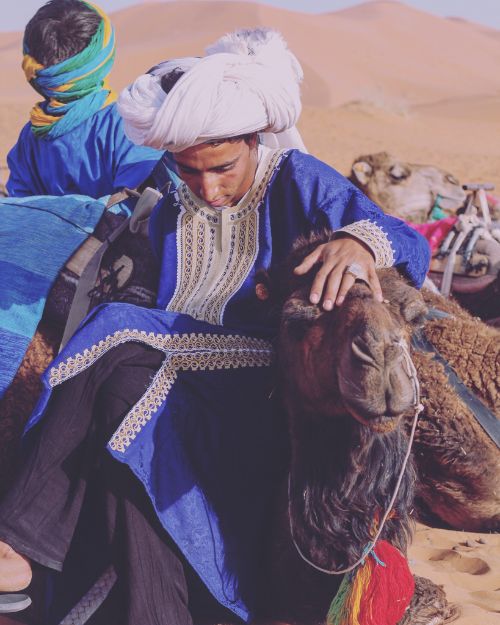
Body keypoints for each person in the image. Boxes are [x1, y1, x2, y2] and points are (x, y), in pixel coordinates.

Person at [0, 29, 431, 624]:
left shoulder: (295, 178)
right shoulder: (176, 198)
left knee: (117, 328)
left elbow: (406, 239)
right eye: (189, 171)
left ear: (255, 139)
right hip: (177, 373)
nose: (207, 186)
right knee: (124, 396)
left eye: (222, 167)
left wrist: (358, 241)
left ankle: (17, 540)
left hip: (260, 379)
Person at [6, 0, 160, 198]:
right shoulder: (133, 125)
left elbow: (21, 212)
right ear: (103, 55)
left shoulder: (31, 137)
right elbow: (140, 209)